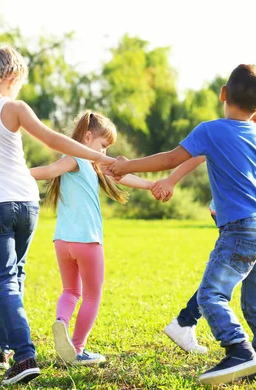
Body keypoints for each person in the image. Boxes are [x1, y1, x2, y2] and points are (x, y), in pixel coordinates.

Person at [107, 64, 256, 385]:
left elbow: (169, 159)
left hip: (240, 228)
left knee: (211, 295)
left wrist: (127, 165)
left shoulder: (210, 130)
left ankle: (238, 349)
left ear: (223, 93)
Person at [0, 44, 115, 385]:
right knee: (15, 276)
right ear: (11, 77)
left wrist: (99, 159)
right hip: (26, 203)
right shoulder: (14, 108)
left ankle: (24, 356)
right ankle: (0, 350)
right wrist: (100, 158)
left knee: (5, 281)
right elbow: (56, 140)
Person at [30, 111, 154, 366]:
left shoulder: (83, 161)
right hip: (87, 242)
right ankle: (77, 349)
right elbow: (49, 170)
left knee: (70, 291)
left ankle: (61, 322)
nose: (105, 154)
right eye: (103, 146)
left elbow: (123, 176)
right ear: (87, 137)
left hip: (62, 242)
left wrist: (151, 184)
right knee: (92, 296)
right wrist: (17, 174)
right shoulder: (79, 158)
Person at [152, 155, 256, 355]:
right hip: (233, 211)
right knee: (235, 272)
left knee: (249, 270)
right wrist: (171, 180)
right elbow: (198, 155)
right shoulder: (228, 128)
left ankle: (185, 321)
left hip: (252, 212)